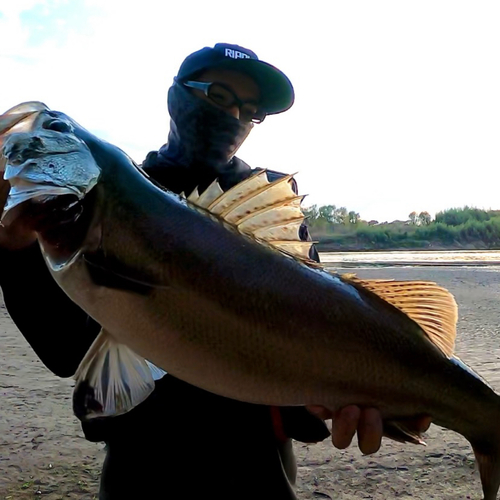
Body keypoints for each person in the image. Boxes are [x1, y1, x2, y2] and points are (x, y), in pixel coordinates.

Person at [0, 43, 429, 499]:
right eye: (220, 96)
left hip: (259, 472)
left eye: (250, 109)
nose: (235, 115)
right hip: (142, 471)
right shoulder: (106, 203)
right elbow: (67, 350)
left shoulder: (273, 210)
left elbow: (316, 334)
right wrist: (15, 248)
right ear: (176, 98)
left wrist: (339, 401)